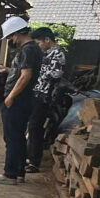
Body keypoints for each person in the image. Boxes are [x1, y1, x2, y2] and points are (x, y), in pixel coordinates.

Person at [0, 16, 42, 185]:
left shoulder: (28, 50)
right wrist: (8, 70)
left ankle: (9, 174)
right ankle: (19, 172)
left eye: (11, 37)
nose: (11, 40)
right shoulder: (32, 49)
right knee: (18, 136)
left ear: (17, 33)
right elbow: (22, 72)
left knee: (11, 137)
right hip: (24, 99)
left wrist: (11, 96)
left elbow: (26, 76)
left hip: (19, 100)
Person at [26, 26, 66, 172]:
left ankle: (34, 161)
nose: (38, 46)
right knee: (31, 126)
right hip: (38, 93)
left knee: (35, 127)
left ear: (47, 40)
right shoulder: (46, 53)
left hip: (45, 96)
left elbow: (56, 74)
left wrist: (37, 73)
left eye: (39, 43)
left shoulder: (58, 53)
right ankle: (29, 157)